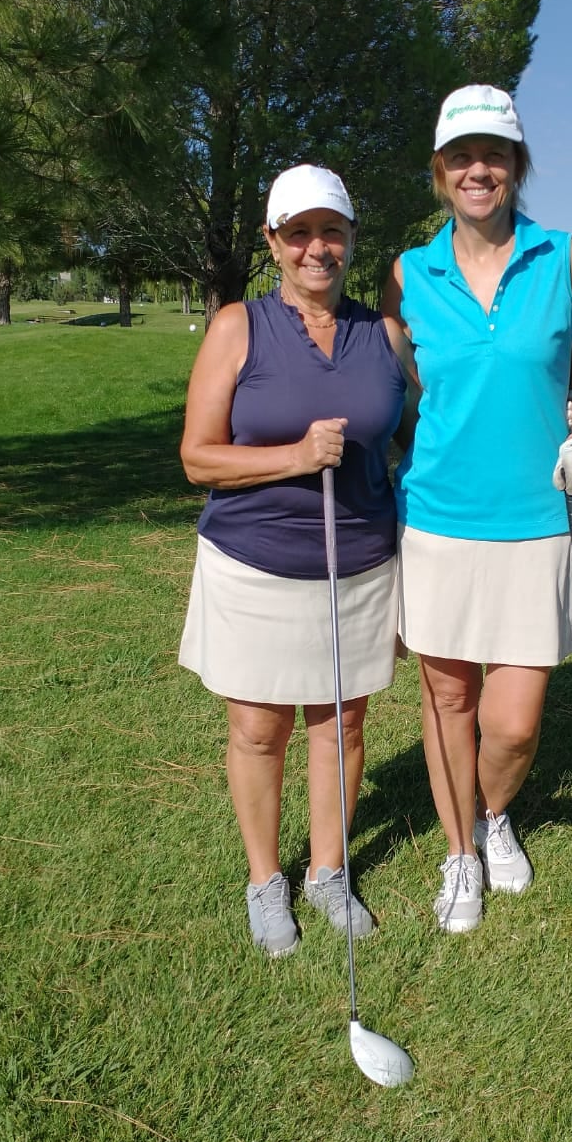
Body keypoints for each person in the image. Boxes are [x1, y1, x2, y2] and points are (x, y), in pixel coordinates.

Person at [384, 84, 572, 934]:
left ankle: (495, 811)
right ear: (439, 173)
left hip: (534, 521)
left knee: (512, 725)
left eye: (494, 155)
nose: (477, 170)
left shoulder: (564, 255)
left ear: (516, 166)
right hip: (436, 517)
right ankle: (460, 851)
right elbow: (397, 390)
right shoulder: (409, 271)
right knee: (447, 701)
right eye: (460, 157)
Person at [179, 164, 409, 958]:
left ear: (351, 240)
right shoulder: (238, 327)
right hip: (257, 561)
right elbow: (197, 460)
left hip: (361, 562)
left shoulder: (381, 336)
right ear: (273, 243)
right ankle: (264, 880)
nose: (319, 248)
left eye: (333, 231)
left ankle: (327, 871)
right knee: (257, 726)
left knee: (342, 722)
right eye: (300, 232)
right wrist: (292, 457)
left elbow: (404, 446)